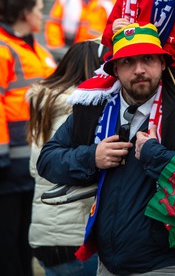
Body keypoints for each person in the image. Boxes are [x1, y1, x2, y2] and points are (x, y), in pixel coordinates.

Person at [37, 22, 175, 276]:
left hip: (166, 264)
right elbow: (48, 160)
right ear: (115, 69)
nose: (139, 70)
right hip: (107, 263)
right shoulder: (95, 110)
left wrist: (154, 154)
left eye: (147, 59)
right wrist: (92, 156)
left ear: (162, 63)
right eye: (128, 62)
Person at [27, 40, 108, 276]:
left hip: (44, 236)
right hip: (75, 236)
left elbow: (36, 168)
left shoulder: (45, 105)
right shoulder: (78, 111)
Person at [0, 0, 56, 276]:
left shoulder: (37, 50)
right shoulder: (3, 49)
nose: (43, 15)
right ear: (24, 13)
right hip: (9, 165)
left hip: (32, 162)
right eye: (38, 10)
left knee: (24, 240)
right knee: (7, 242)